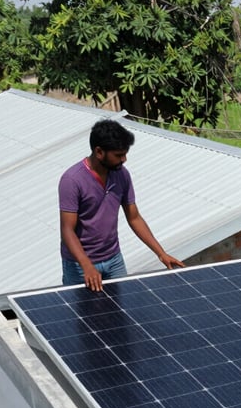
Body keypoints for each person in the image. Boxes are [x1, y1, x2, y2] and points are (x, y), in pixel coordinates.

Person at [59, 119, 184, 291]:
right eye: (118, 155)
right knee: (82, 315)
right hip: (80, 266)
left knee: (118, 313)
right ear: (99, 152)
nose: (124, 159)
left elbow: (134, 217)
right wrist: (87, 265)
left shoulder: (122, 175)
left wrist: (161, 254)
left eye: (125, 154)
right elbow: (67, 229)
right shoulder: (72, 180)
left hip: (114, 260)